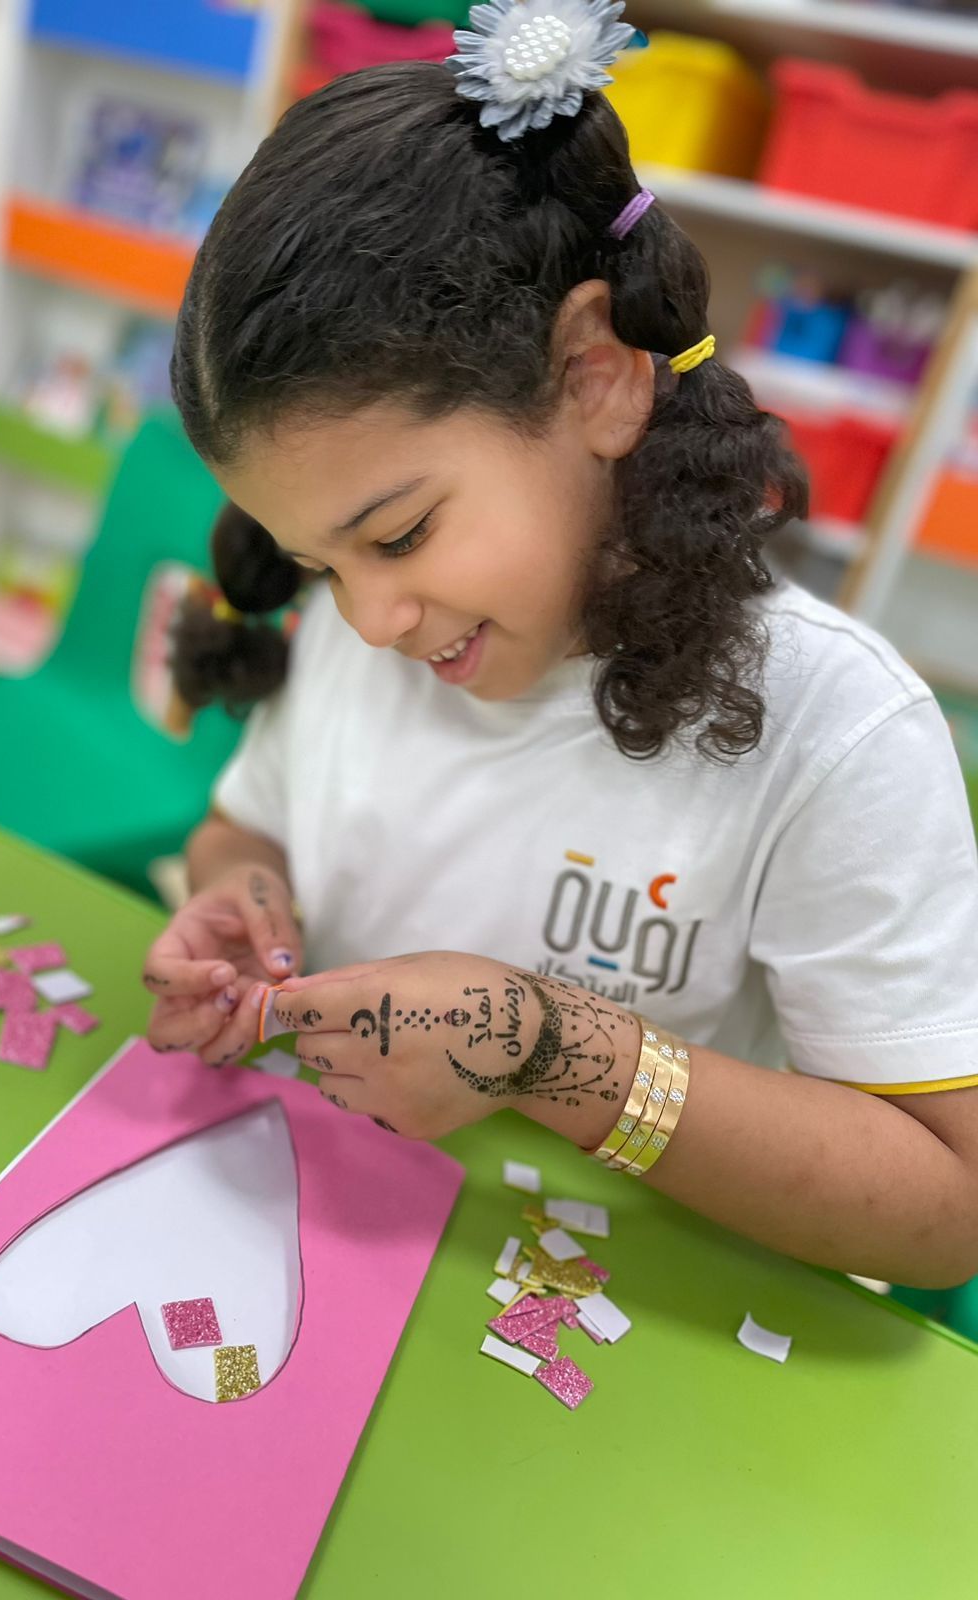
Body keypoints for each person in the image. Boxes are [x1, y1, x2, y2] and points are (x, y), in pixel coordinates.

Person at [144, 3, 978, 1288]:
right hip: (367, 1249)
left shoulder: (833, 725)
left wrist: (544, 1048)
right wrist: (242, 900)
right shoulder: (362, 630)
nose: (369, 620)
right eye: (321, 565)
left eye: (404, 534)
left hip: (647, 1319)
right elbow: (248, 823)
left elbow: (945, 1208)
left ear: (596, 376)